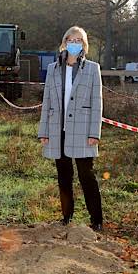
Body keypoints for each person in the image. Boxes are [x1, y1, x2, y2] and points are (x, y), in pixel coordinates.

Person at [38, 26, 104, 230]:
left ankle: (97, 220)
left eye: (78, 41)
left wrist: (95, 132)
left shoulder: (93, 69)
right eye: (71, 39)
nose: (74, 44)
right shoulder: (53, 69)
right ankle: (66, 216)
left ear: (84, 45)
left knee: (87, 176)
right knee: (63, 177)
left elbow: (97, 102)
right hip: (59, 131)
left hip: (83, 131)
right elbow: (47, 100)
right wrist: (44, 131)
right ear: (64, 42)